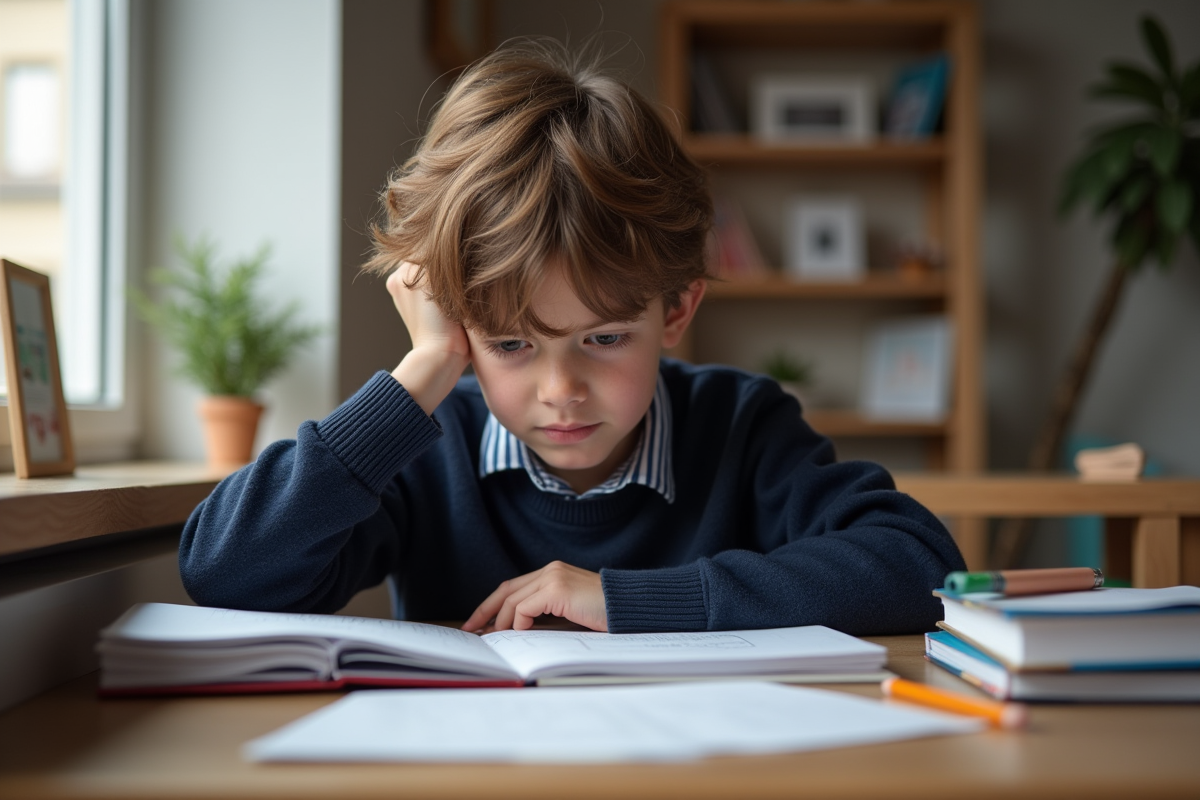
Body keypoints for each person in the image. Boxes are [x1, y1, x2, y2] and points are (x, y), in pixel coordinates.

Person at [179, 40, 964, 635]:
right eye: (511, 345)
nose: (560, 391)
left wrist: (624, 598)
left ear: (677, 310)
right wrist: (425, 368)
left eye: (605, 339)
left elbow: (922, 567)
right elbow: (224, 572)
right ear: (458, 328)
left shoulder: (740, 425)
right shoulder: (426, 445)